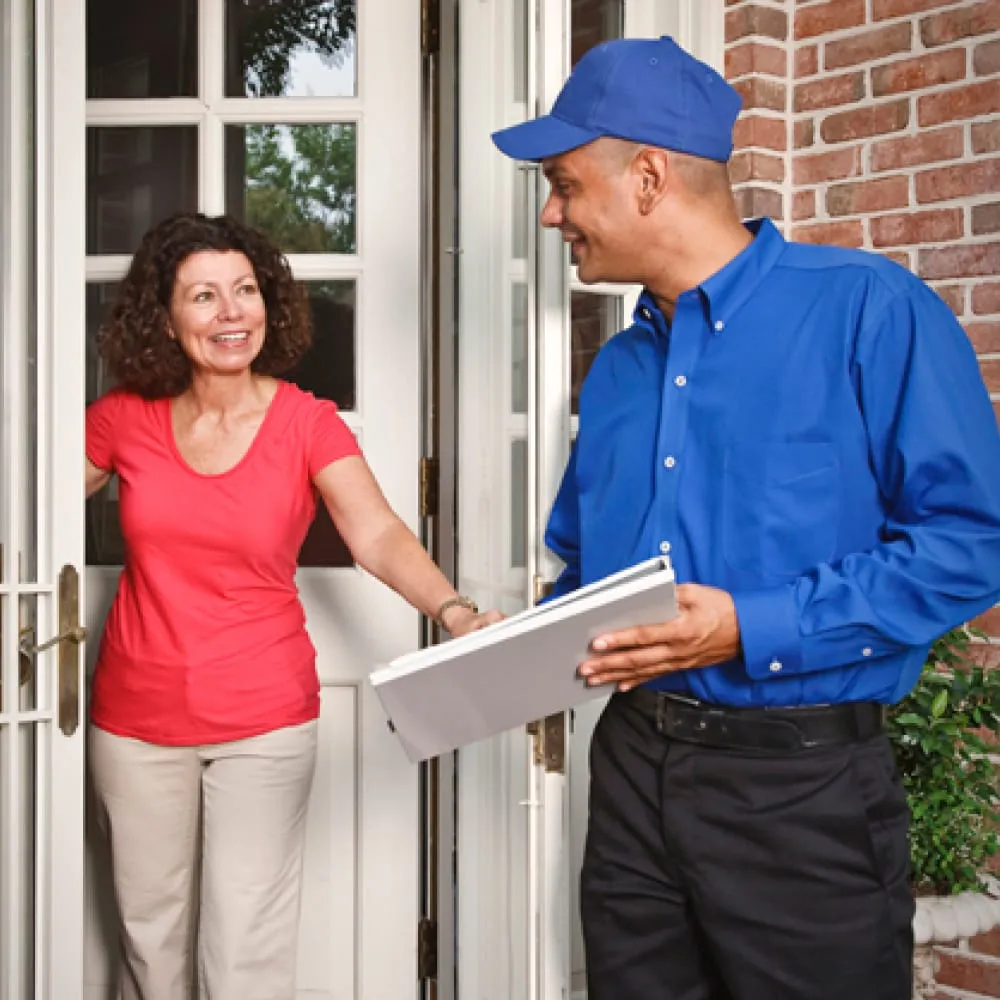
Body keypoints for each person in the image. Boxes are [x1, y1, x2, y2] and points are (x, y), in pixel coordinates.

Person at [492, 35, 1000, 1000]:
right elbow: (590, 573)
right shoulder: (619, 372)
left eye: (563, 183)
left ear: (647, 177)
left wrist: (746, 624)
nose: (553, 213)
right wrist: (509, 647)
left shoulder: (868, 311)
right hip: (635, 772)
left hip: (803, 794)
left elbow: (970, 545)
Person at [84, 212, 500, 1000]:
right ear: (166, 321)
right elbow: (27, 503)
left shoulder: (305, 422)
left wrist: (455, 612)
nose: (230, 312)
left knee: (245, 953)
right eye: (203, 296)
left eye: (244, 291)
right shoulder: (123, 422)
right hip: (134, 721)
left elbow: (376, 532)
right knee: (149, 940)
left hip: (264, 718)